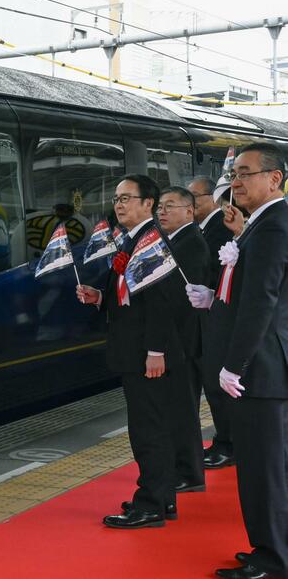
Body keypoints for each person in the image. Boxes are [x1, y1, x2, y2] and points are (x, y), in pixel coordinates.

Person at [186, 143, 288, 579]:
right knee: (263, 465)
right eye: (235, 175)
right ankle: (270, 548)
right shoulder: (261, 224)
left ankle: (274, 559)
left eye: (246, 173)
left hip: (260, 370)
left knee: (264, 469)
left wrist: (236, 363)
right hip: (261, 367)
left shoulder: (272, 227)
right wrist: (213, 299)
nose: (237, 183)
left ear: (274, 178)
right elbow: (247, 291)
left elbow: (262, 301)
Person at [76, 174, 182, 528]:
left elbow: (162, 303)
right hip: (134, 350)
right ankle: (161, 498)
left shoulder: (152, 242)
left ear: (147, 203)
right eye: (117, 198)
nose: (119, 204)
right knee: (151, 426)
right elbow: (133, 297)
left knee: (148, 429)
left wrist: (155, 350)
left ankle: (150, 504)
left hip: (145, 355)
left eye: (126, 198)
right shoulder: (132, 239)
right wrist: (101, 297)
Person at [156, 186, 208, 493]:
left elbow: (179, 300)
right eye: (160, 206)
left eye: (170, 206)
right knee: (176, 407)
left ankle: (189, 472)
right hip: (179, 341)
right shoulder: (175, 241)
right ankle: (182, 467)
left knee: (183, 409)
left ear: (189, 211)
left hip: (184, 341)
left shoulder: (190, 245)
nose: (162, 211)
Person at [187, 176, 239, 468]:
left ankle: (228, 444)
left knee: (217, 384)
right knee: (211, 383)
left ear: (213, 198)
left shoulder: (221, 227)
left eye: (196, 198)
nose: (191, 204)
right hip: (205, 316)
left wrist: (207, 292)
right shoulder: (205, 228)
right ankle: (225, 440)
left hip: (216, 318)